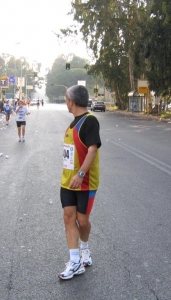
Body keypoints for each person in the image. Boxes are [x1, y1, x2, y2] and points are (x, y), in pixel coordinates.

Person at [58, 85, 101, 280]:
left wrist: (81, 174)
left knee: (82, 222)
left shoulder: (90, 121)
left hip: (85, 183)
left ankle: (85, 249)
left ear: (71, 101)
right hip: (67, 182)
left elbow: (92, 149)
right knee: (69, 217)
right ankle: (75, 262)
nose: (66, 102)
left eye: (66, 99)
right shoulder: (72, 124)